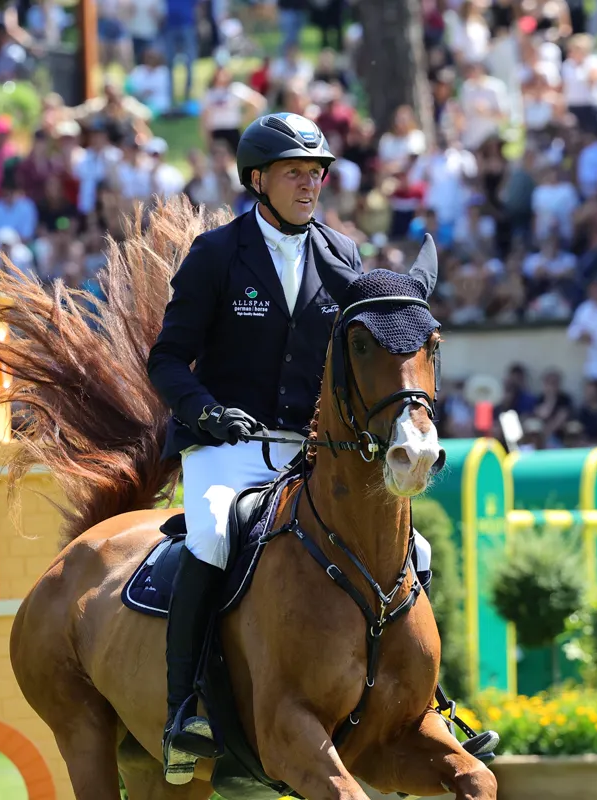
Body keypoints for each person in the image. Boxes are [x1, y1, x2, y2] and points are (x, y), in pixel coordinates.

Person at [146, 112, 438, 783]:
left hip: (311, 452)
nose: (310, 185)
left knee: (411, 550)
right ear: (258, 180)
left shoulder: (343, 260)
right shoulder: (217, 256)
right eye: (294, 174)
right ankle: (185, 707)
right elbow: (166, 360)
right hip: (228, 447)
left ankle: (423, 701)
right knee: (214, 536)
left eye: (316, 174)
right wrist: (205, 411)